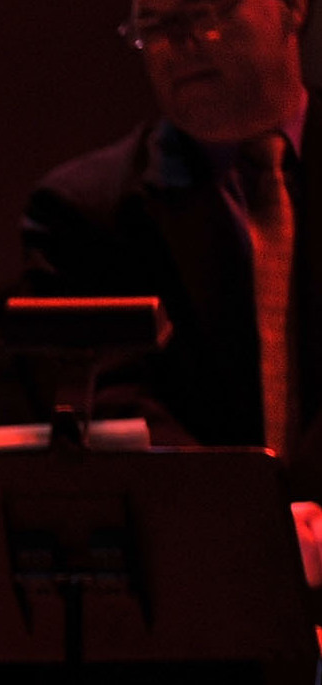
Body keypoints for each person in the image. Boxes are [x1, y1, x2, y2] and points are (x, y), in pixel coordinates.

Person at [24, 0, 319, 480]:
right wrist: (252, 513)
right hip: (204, 530)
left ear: (294, 9)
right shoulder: (86, 211)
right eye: (155, 24)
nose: (178, 44)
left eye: (206, 13)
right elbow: (105, 396)